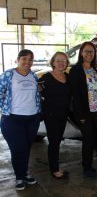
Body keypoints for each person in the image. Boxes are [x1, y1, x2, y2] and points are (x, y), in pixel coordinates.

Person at [0, 49, 41, 190]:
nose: (27, 62)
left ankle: (24, 172)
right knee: (18, 148)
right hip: (13, 119)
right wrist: (4, 110)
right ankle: (19, 176)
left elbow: (36, 95)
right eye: (24, 59)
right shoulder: (8, 75)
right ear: (18, 60)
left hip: (32, 118)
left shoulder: (33, 76)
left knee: (26, 148)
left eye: (30, 59)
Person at [69, 42, 97, 178]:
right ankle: (87, 167)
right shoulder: (76, 70)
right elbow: (75, 94)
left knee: (94, 138)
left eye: (92, 52)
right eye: (86, 51)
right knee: (88, 139)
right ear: (81, 53)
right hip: (84, 111)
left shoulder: (95, 68)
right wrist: (80, 114)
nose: (89, 54)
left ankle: (90, 163)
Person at [39, 52, 71, 179]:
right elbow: (35, 90)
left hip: (63, 114)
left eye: (64, 61)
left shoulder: (68, 77)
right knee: (54, 142)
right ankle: (54, 170)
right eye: (58, 60)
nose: (61, 63)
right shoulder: (46, 77)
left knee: (57, 141)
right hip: (51, 114)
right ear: (53, 62)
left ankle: (56, 166)